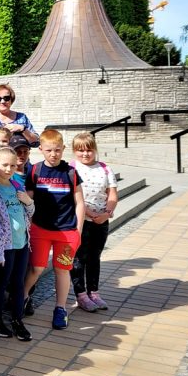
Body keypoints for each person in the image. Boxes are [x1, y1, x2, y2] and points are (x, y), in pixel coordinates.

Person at [23, 129, 85, 330]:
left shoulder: (70, 172)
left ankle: (60, 308)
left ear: (63, 149)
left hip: (66, 232)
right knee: (37, 268)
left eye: (57, 150)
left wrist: (79, 230)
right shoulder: (35, 171)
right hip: (40, 228)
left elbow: (80, 202)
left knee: (62, 269)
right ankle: (22, 297)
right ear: (40, 149)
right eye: (49, 150)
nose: (53, 154)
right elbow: (29, 200)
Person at [0, 146, 35, 342]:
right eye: (4, 165)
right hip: (4, 246)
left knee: (18, 283)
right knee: (2, 282)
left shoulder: (16, 185)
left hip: (22, 242)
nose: (9, 169)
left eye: (13, 165)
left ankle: (17, 319)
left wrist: (29, 202)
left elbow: (29, 213)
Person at [70, 132, 118, 312]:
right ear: (74, 151)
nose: (85, 154)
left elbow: (112, 193)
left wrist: (107, 212)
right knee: (79, 258)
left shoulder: (104, 169)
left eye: (89, 150)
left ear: (95, 150)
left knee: (94, 257)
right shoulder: (71, 168)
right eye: (80, 150)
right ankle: (81, 294)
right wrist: (87, 212)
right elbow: (71, 196)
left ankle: (94, 292)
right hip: (81, 220)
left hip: (101, 221)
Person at [0, 84, 39, 149]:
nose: (3, 101)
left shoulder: (22, 118)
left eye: (6, 98)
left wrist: (22, 129)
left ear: (11, 99)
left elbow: (36, 142)